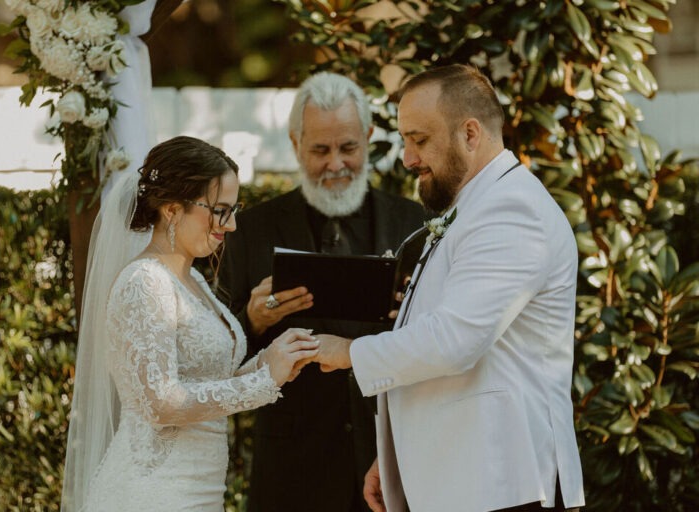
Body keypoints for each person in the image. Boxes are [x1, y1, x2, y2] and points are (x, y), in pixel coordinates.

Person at [313, 64, 585, 512]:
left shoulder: (511, 210)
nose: (407, 158)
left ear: (470, 134)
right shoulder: (477, 205)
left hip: (506, 485)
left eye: (419, 140)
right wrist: (397, 454)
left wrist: (347, 352)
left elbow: (454, 340)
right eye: (405, 140)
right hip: (469, 480)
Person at [60, 136, 320, 512]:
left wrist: (272, 360)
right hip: (153, 494)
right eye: (219, 210)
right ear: (171, 209)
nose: (230, 225)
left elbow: (208, 383)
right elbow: (162, 404)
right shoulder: (145, 284)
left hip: (200, 491)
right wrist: (264, 382)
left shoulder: (194, 281)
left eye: (233, 210)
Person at [218, 72, 427, 512]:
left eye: (348, 147)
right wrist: (253, 320)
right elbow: (218, 358)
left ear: (368, 137)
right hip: (293, 469)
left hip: (393, 463)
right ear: (295, 144)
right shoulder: (250, 230)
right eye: (320, 150)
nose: (336, 164)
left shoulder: (415, 223)